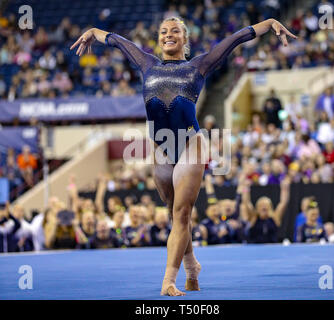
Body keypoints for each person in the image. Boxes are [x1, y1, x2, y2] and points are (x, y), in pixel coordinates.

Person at [71, 16, 297, 296]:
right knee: (173, 211)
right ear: (158, 37)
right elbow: (119, 41)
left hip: (190, 144)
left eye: (175, 31)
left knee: (181, 213)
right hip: (161, 148)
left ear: (184, 39)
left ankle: (168, 281)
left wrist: (271, 23)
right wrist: (93, 30)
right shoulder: (147, 64)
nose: (168, 34)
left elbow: (235, 39)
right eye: (164, 31)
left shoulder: (198, 65)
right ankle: (192, 266)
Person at [240, 175, 291, 243]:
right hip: (255, 249)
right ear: (257, 208)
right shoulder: (254, 218)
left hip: (272, 249)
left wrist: (285, 189)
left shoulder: (275, 218)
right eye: (261, 205)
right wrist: (246, 188)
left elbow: (283, 203)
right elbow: (246, 202)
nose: (264, 207)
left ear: (270, 207)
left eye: (266, 205)